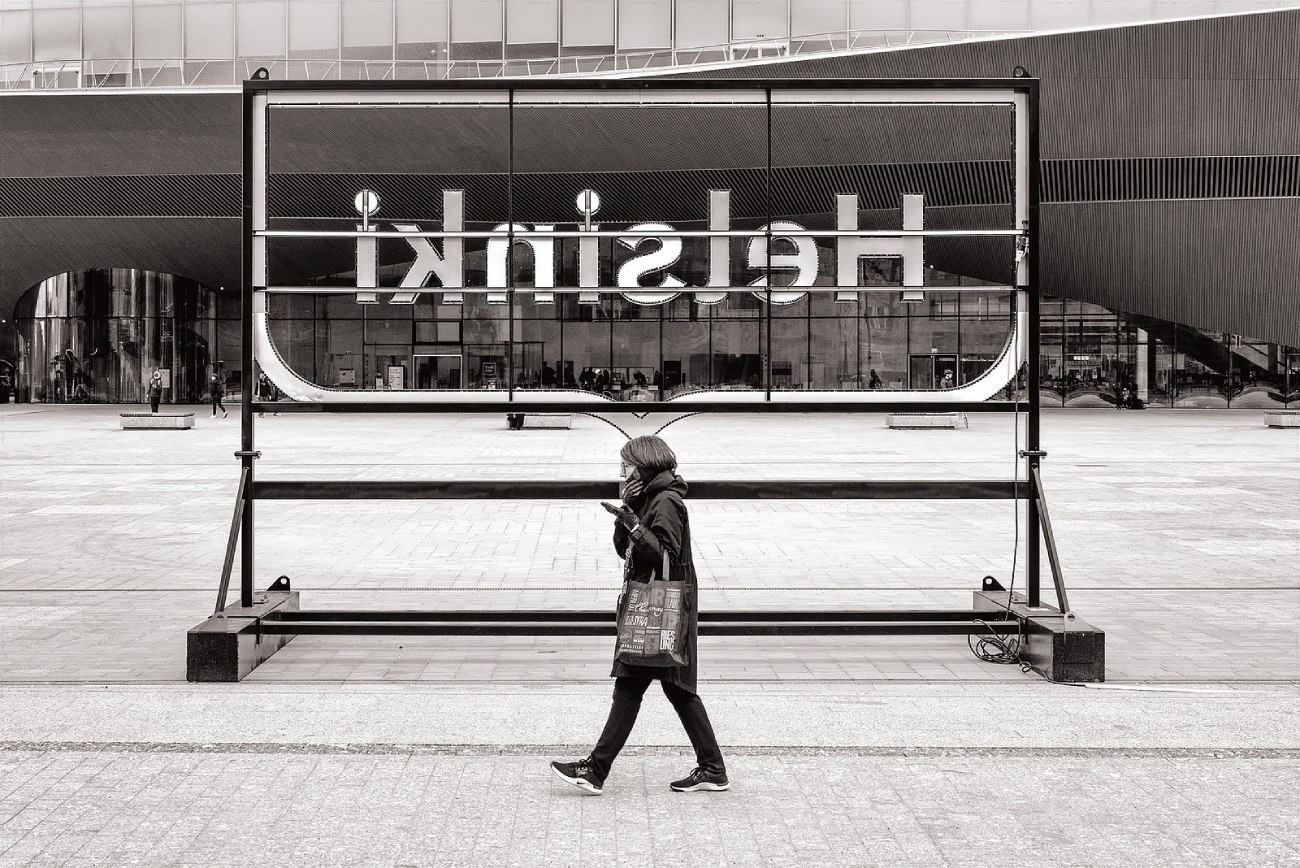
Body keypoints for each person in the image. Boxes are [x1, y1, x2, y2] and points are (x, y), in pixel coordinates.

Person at [551, 435, 728, 796]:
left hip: (661, 610)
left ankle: (596, 770)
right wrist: (627, 516)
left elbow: (664, 556)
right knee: (675, 689)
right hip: (660, 611)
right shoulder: (648, 497)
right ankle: (712, 769)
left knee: (635, 687)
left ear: (644, 465)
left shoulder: (666, 501)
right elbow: (626, 551)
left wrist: (634, 522)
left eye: (627, 465)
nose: (622, 471)